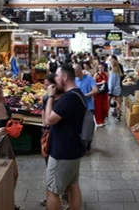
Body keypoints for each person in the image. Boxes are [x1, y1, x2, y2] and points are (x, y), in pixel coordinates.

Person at [45, 65, 86, 210]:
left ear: (64, 77)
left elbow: (48, 120)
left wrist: (50, 96)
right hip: (74, 149)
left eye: (56, 76)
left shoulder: (68, 98)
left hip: (62, 152)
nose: (54, 80)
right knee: (72, 185)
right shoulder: (78, 94)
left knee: (53, 191)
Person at [40, 74, 68, 209]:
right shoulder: (46, 98)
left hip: (60, 138)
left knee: (60, 169)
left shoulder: (64, 99)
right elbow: (44, 116)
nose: (45, 88)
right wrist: (44, 128)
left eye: (47, 85)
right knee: (49, 167)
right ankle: (50, 196)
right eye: (45, 85)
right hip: (48, 135)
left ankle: (64, 197)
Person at [74, 64, 98, 151]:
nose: (74, 73)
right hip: (77, 107)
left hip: (89, 107)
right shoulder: (74, 79)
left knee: (89, 125)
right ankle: (81, 143)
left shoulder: (89, 79)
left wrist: (87, 95)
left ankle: (88, 142)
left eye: (75, 71)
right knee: (79, 125)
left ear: (80, 71)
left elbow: (95, 90)